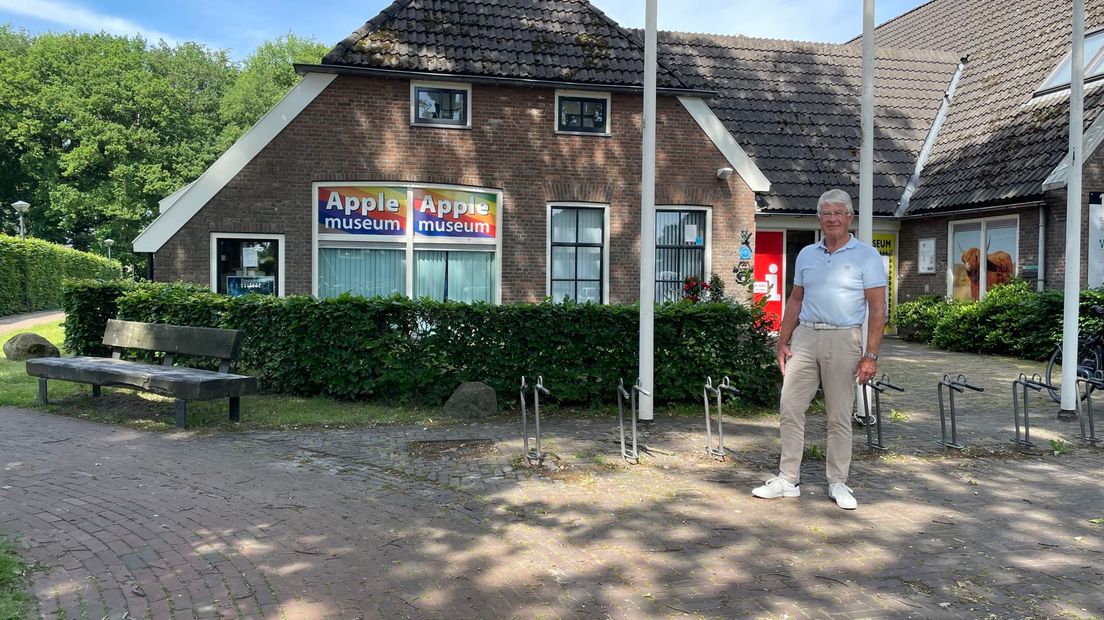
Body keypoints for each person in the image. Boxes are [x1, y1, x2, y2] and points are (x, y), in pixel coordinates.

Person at [751, 189, 887, 510]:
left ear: (849, 217)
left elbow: (878, 310)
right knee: (790, 406)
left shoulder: (867, 256)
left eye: (838, 213)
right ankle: (788, 479)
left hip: (844, 338)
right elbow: (796, 299)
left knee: (839, 415)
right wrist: (783, 341)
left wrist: (871, 355)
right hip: (806, 337)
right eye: (826, 213)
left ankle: (838, 481)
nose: (832, 218)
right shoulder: (807, 255)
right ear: (819, 219)